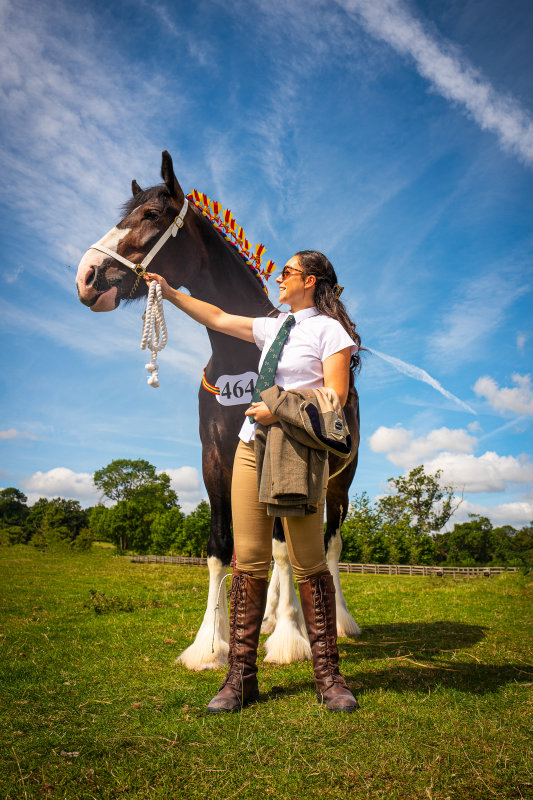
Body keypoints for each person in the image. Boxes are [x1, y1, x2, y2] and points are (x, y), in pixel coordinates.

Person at [145, 250, 362, 714]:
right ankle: (241, 677)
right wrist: (171, 293)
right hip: (251, 445)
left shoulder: (330, 331)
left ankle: (329, 677)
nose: (277, 278)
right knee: (250, 560)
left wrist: (279, 405)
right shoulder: (275, 325)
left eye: (285, 272)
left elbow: (335, 396)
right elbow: (220, 317)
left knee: (308, 561)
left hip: (297, 449)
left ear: (309, 279)